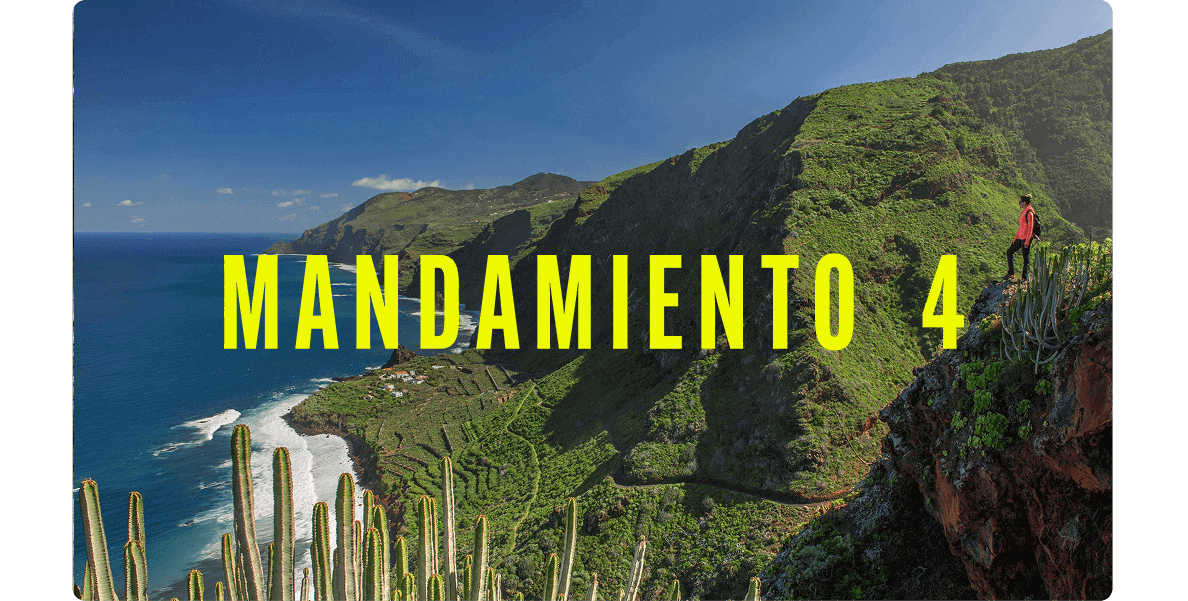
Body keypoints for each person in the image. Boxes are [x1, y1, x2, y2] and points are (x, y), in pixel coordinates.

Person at [1005, 193, 1036, 281]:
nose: (1019, 204)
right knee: (1009, 252)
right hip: (1020, 237)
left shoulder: (1030, 213)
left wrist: (1027, 240)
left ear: (1024, 202)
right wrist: (1015, 238)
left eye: (1020, 202)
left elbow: (1030, 227)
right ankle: (1011, 273)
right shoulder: (1024, 211)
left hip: (1026, 238)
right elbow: (1021, 226)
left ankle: (1024, 277)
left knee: (1025, 258)